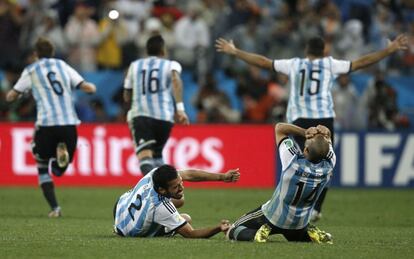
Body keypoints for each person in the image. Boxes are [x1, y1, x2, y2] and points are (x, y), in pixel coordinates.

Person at [215, 34, 408, 222]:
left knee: (293, 161)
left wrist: (236, 51)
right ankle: (315, 209)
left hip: (300, 119)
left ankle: (288, 204)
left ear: (306, 50)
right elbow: (361, 62)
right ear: (323, 52)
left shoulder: (295, 64)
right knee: (325, 164)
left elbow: (264, 62)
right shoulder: (330, 64)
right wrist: (389, 50)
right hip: (325, 119)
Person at [6, 37, 96, 217]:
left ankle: (55, 208)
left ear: (35, 54)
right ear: (53, 52)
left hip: (47, 123)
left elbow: (11, 96)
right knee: (59, 170)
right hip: (69, 123)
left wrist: (17, 94)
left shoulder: (31, 70)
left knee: (41, 164)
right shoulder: (63, 66)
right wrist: (90, 87)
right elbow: (87, 87)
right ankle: (59, 162)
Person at [226, 123, 335, 243]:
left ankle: (256, 235)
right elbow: (326, 146)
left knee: (233, 229)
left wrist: (306, 132)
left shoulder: (292, 160)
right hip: (299, 224)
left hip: (273, 218)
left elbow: (280, 128)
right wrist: (326, 133)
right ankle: (311, 234)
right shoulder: (330, 164)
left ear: (305, 149)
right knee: (297, 235)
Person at [113, 164, 240, 238]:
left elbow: (189, 174)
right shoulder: (160, 207)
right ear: (162, 190)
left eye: (181, 183)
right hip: (127, 232)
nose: (181, 187)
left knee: (180, 200)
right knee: (186, 218)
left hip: (120, 207)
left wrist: (222, 177)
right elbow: (191, 234)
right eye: (176, 187)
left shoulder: (155, 174)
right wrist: (218, 227)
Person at [123, 35, 189, 176]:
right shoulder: (171, 64)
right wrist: (180, 109)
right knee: (157, 157)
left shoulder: (135, 66)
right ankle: (169, 189)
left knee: (145, 158)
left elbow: (126, 95)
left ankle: (155, 189)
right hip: (164, 118)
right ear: (163, 50)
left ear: (147, 51)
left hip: (142, 116)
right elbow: (176, 81)